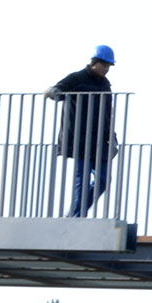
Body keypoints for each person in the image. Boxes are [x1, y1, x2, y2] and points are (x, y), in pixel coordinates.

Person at [46, 45, 118, 217]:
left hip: (98, 141)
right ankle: (77, 217)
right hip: (79, 140)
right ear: (95, 62)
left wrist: (112, 138)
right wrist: (52, 92)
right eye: (104, 64)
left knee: (102, 180)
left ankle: (75, 213)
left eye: (109, 66)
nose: (106, 69)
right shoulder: (78, 78)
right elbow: (57, 90)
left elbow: (107, 113)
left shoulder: (105, 85)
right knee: (83, 180)